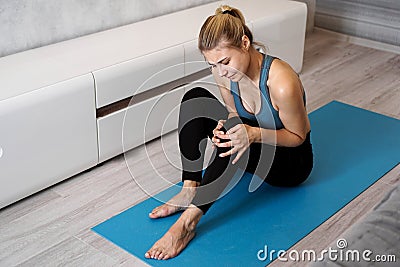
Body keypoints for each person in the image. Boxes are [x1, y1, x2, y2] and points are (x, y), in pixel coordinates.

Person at [144, 5, 313, 260]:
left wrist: (252, 134)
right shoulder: (222, 72)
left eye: (224, 61)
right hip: (253, 144)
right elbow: (235, 115)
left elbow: (299, 136)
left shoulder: (281, 83)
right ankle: (191, 186)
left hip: (291, 163)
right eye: (212, 64)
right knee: (195, 98)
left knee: (239, 135)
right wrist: (225, 128)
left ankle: (188, 224)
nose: (220, 71)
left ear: (245, 42)